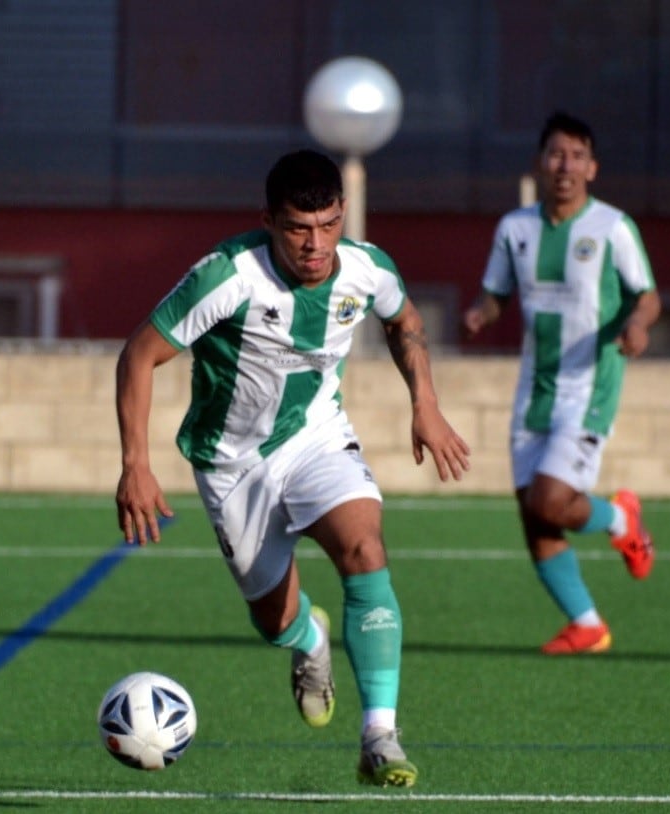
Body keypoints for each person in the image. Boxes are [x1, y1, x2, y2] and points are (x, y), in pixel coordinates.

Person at [115, 149, 471, 786]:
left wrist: (427, 404)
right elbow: (139, 355)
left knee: (364, 549)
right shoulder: (227, 276)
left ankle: (380, 736)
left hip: (315, 438)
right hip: (231, 465)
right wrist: (136, 465)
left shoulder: (365, 269)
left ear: (343, 215)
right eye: (298, 229)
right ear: (269, 222)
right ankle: (309, 642)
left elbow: (404, 318)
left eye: (329, 224)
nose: (315, 244)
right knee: (273, 619)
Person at [461, 111, 661, 655]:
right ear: (538, 164)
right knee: (533, 513)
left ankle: (621, 518)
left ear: (592, 167)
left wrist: (638, 326)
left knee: (551, 501)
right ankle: (587, 624)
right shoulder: (515, 228)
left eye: (576, 155)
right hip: (534, 389)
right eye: (555, 153)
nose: (565, 165)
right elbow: (497, 293)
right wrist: (481, 312)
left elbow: (647, 296)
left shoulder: (612, 228)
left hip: (590, 385)